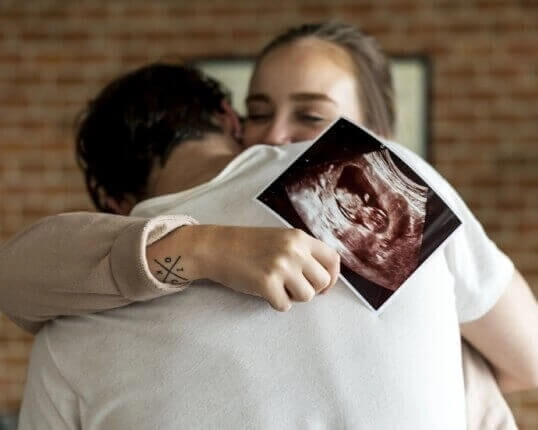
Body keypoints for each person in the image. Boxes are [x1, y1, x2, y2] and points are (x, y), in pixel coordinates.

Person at [2, 21, 533, 427]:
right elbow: (529, 356)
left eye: (311, 118)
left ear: (115, 201)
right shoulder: (373, 175)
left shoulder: (68, 325)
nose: (280, 138)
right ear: (231, 121)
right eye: (262, 111)